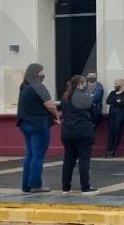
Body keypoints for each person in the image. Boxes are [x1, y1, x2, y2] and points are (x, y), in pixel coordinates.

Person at [16, 63, 58, 193]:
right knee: (38, 156)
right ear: (37, 73)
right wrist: (57, 116)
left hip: (25, 124)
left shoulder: (24, 87)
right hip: (39, 125)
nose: (43, 74)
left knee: (30, 154)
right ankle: (35, 184)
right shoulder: (38, 87)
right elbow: (50, 105)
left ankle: (26, 185)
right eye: (41, 72)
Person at [59, 75, 99, 194]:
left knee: (68, 160)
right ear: (80, 85)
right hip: (83, 131)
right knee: (84, 159)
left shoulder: (65, 97)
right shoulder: (85, 97)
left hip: (67, 131)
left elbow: (64, 112)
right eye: (84, 83)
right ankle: (85, 186)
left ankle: (66, 187)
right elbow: (94, 113)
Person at [104, 79, 124, 157]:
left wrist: (114, 102)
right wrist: (117, 101)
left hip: (120, 115)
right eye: (114, 83)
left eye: (117, 83)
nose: (115, 85)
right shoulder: (112, 93)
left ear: (122, 84)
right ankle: (108, 150)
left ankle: (113, 150)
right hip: (112, 115)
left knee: (117, 132)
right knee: (111, 132)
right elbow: (108, 101)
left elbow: (123, 103)